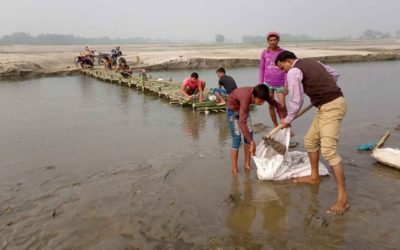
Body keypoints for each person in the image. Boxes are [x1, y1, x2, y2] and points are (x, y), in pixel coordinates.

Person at [275, 50, 349, 215]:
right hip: (327, 105)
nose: (283, 71)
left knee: (329, 150)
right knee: (310, 140)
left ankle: (343, 199)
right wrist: (324, 90)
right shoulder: (314, 62)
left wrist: (288, 119)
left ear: (288, 61)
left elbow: (296, 99)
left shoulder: (294, 71)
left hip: (331, 107)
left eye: (282, 68)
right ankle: (314, 177)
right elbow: (335, 74)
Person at [227, 84, 284, 175]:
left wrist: (282, 119)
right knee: (237, 139)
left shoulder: (262, 93)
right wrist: (252, 142)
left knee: (249, 136)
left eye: (263, 102)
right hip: (232, 110)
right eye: (260, 101)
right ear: (253, 96)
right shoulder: (245, 98)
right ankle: (234, 168)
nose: (261, 104)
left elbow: (276, 104)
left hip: (243, 110)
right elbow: (242, 123)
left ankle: (247, 164)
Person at [259, 32, 288, 127]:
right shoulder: (264, 52)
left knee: (282, 106)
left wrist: (286, 85)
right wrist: (260, 84)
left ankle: (285, 124)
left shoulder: (283, 52)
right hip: (268, 83)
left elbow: (287, 70)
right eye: (270, 40)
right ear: (268, 41)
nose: (272, 42)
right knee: (271, 105)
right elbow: (262, 68)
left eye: (274, 40)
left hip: (280, 83)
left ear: (278, 40)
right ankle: (276, 126)